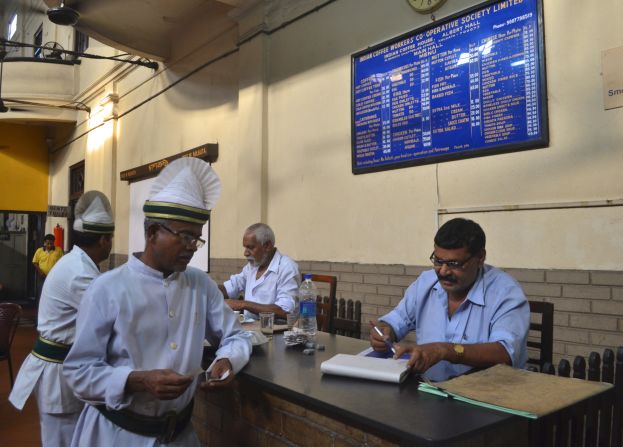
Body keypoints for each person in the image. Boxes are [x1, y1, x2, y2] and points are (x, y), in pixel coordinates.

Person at [63, 158, 252, 446]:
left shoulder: (199, 285)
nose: (192, 247)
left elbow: (236, 336)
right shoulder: (108, 289)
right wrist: (137, 380)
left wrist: (227, 360)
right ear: (152, 233)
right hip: (118, 435)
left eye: (197, 239)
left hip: (179, 435)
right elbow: (78, 372)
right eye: (185, 236)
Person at [9, 191, 115, 447]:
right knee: (63, 440)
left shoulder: (76, 262)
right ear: (103, 241)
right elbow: (115, 316)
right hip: (59, 374)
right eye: (110, 239)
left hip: (62, 370)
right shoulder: (80, 273)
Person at [370, 218, 529, 382]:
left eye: (454, 263)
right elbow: (396, 320)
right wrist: (385, 330)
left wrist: (444, 350)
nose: (443, 271)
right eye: (438, 261)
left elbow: (505, 353)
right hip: (428, 391)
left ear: (480, 257)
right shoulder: (426, 283)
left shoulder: (505, 292)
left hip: (486, 397)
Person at [220, 223, 299, 320]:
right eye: (245, 247)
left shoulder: (287, 268)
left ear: (267, 246)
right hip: (250, 330)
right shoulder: (252, 267)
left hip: (276, 332)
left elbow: (285, 311)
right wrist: (205, 288)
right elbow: (230, 287)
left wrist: (243, 304)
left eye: (251, 247)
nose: (245, 253)